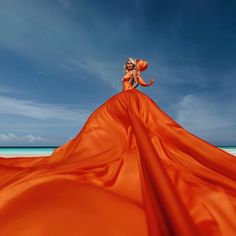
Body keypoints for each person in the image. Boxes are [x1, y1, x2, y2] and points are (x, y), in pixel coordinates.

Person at [0, 58, 236, 236]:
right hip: (121, 100)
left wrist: (147, 81)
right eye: (128, 65)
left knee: (142, 130)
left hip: (131, 100)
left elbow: (140, 83)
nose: (129, 66)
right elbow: (129, 81)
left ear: (135, 66)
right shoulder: (125, 74)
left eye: (131, 64)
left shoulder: (134, 76)